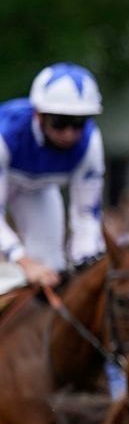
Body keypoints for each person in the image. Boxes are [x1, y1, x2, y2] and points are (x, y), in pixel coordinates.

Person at [0, 63, 107, 288]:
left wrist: (87, 267)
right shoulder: (5, 134)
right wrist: (24, 262)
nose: (69, 133)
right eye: (59, 122)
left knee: (50, 269)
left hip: (37, 190)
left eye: (79, 122)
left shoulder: (91, 145)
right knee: (31, 266)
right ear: (38, 115)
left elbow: (86, 216)